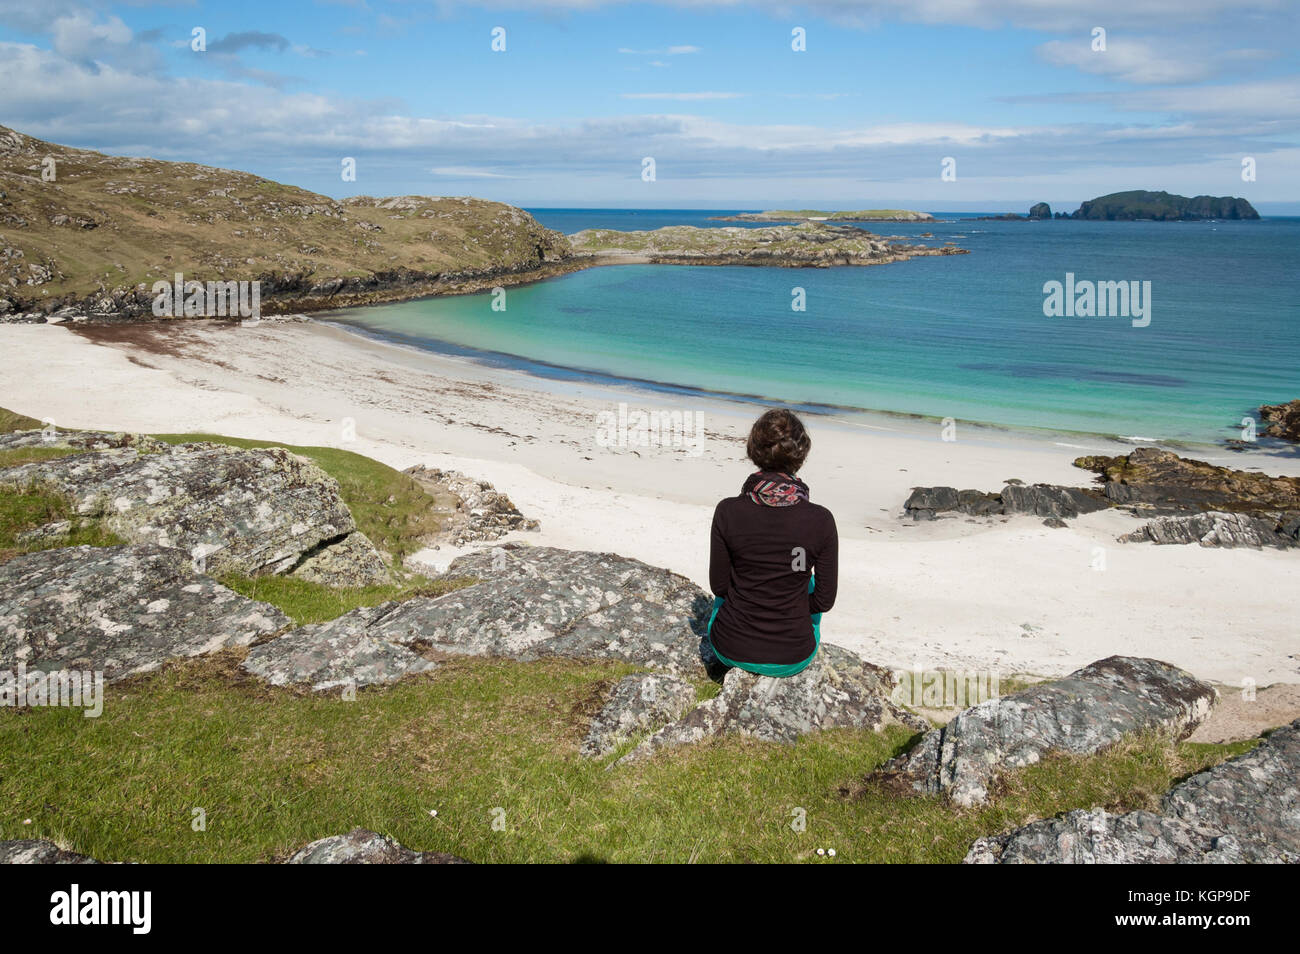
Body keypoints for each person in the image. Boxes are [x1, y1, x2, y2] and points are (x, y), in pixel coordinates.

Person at [707, 408, 838, 677]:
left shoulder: (727, 511)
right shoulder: (821, 520)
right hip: (794, 655)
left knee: (739, 578)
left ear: (754, 451)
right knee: (805, 577)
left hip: (730, 647)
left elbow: (720, 587)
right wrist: (790, 603)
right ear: (801, 455)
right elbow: (824, 601)